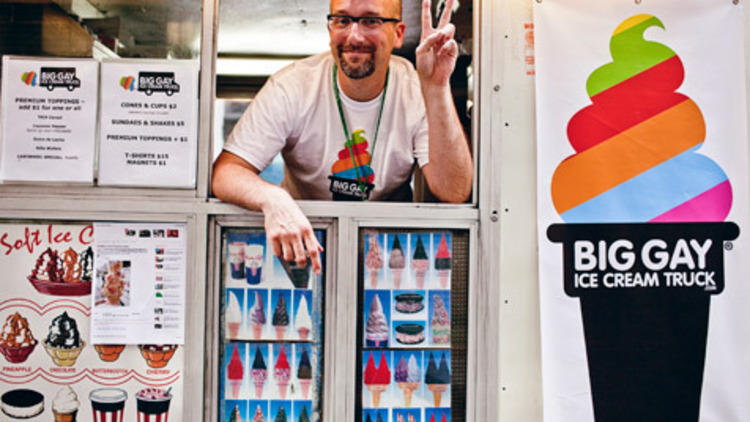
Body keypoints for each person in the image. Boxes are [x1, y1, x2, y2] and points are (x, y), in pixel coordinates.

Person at [212, 0, 473, 274]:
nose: (354, 36)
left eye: (371, 21)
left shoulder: (414, 88)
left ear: (398, 34)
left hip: (387, 259)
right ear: (330, 29)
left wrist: (436, 87)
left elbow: (453, 192)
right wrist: (273, 200)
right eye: (343, 20)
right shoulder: (292, 86)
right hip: (303, 248)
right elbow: (226, 172)